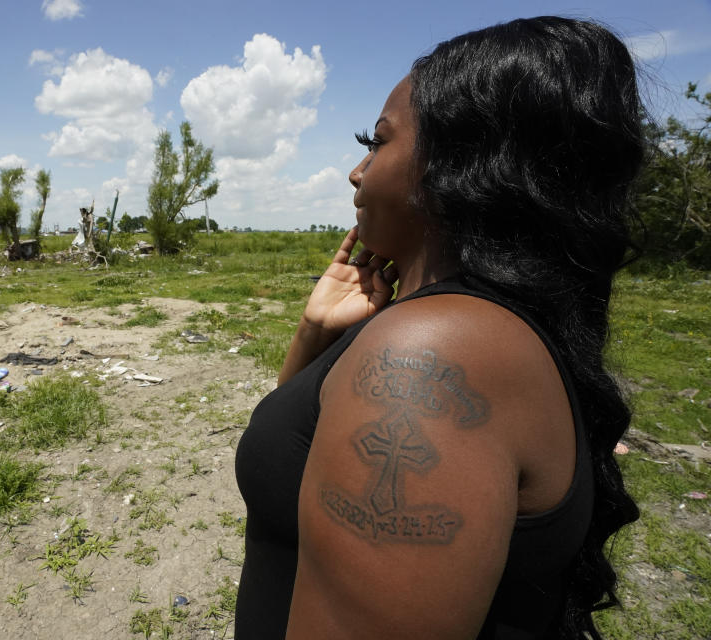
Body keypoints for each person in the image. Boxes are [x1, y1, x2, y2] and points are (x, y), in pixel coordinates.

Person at [234, 16, 643, 639]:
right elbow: (289, 457)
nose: (355, 172)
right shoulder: (469, 324)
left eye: (375, 143)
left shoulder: (431, 350)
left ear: (460, 167)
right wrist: (316, 334)